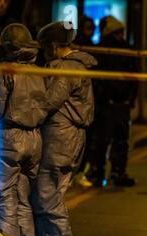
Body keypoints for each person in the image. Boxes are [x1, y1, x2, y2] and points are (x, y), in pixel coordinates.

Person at [34, 22, 97, 236]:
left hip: (61, 136)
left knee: (47, 192)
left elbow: (50, 101)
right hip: (70, 136)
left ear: (54, 47)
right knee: (52, 190)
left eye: (45, 48)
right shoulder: (78, 65)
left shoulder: (65, 68)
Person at [0, 23, 47, 236]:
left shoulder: (3, 71)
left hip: (9, 136)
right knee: (23, 195)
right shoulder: (38, 71)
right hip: (35, 137)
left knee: (2, 196)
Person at [90, 16, 138, 187]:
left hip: (110, 103)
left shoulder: (102, 49)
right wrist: (129, 98)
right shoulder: (123, 49)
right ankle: (115, 171)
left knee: (107, 139)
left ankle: (100, 172)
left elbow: (98, 77)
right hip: (115, 103)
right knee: (115, 139)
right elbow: (133, 77)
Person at [73, 16, 97, 188]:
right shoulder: (78, 50)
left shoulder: (91, 49)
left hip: (85, 105)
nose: (91, 31)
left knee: (85, 143)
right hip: (78, 106)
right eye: (88, 27)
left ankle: (79, 172)